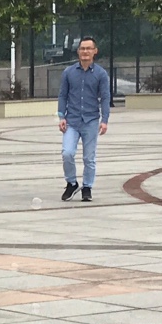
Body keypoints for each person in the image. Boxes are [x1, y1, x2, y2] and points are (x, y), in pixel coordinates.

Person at [57, 37, 110, 203]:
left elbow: (105, 97)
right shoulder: (69, 72)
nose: (85, 52)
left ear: (95, 51)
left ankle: (87, 187)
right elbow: (63, 95)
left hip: (91, 120)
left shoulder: (101, 74)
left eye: (89, 48)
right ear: (78, 51)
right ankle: (71, 183)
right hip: (72, 120)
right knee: (67, 153)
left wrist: (105, 120)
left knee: (89, 157)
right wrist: (61, 116)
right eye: (82, 48)